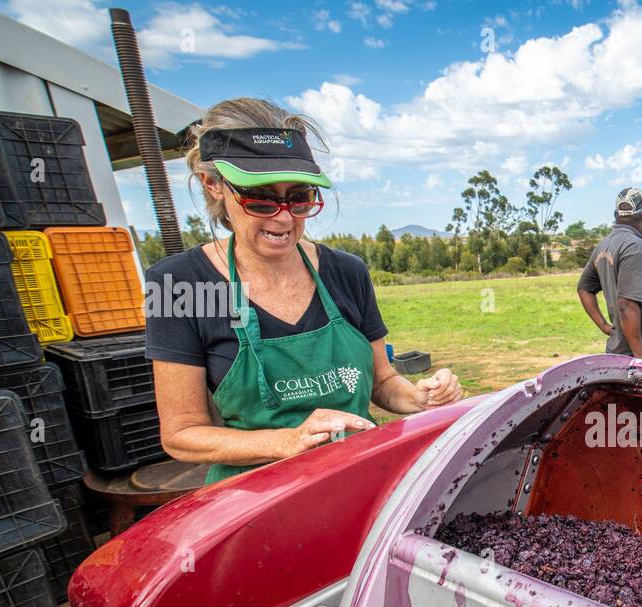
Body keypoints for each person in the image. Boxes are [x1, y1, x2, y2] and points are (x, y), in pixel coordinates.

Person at [145, 98, 462, 484]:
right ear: (214, 185)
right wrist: (289, 441)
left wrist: (419, 397)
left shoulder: (346, 271)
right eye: (259, 198)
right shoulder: (178, 284)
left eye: (299, 198)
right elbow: (181, 435)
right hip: (256, 497)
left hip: (361, 476)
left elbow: (382, 381)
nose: (283, 217)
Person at [576, 187, 642, 361]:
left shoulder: (604, 245)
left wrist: (604, 326)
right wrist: (641, 360)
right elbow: (626, 305)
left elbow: (584, 288)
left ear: (616, 214)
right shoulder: (634, 246)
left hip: (623, 352)